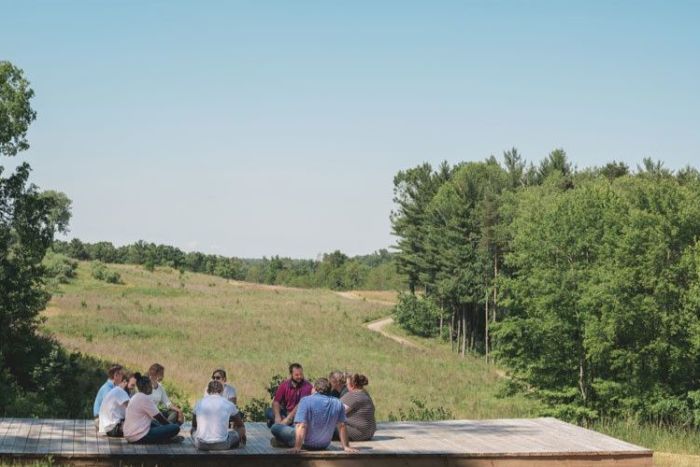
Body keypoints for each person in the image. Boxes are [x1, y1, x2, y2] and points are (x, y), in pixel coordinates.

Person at [270, 378, 356, 453]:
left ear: (314, 388)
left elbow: (301, 425)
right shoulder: (338, 403)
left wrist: (297, 447)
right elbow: (342, 426)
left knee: (275, 427)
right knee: (292, 427)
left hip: (306, 443)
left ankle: (286, 442)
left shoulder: (306, 401)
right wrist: (346, 446)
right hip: (324, 444)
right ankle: (284, 441)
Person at [123, 374, 181, 444]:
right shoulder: (145, 398)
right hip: (139, 437)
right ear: (147, 387)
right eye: (150, 385)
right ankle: (166, 439)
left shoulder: (136, 396)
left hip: (129, 435)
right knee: (175, 427)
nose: (152, 387)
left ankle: (166, 438)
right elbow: (159, 418)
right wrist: (170, 426)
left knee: (154, 423)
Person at [191, 380, 247, 451]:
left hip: (201, 445)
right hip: (222, 444)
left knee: (193, 429)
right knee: (242, 429)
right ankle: (239, 443)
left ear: (207, 391)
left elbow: (194, 425)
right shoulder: (228, 404)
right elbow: (240, 425)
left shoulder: (199, 403)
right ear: (222, 391)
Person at [266, 363, 312, 428]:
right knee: (268, 411)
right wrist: (277, 416)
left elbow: (301, 405)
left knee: (297, 424)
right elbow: (276, 402)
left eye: (301, 374)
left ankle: (279, 425)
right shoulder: (284, 385)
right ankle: (281, 424)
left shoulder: (307, 386)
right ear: (291, 375)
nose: (299, 377)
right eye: (297, 375)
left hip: (299, 415)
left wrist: (288, 419)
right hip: (286, 413)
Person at [340, 373, 376, 441]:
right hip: (369, 433)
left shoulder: (353, 395)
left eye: (346, 384)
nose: (346, 386)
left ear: (352, 385)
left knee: (328, 426)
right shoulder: (365, 393)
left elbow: (337, 411)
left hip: (358, 433)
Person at [98, 372, 132, 437]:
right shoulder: (120, 391)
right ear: (125, 382)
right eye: (132, 385)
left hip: (107, 429)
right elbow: (132, 409)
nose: (132, 389)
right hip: (113, 429)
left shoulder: (115, 390)